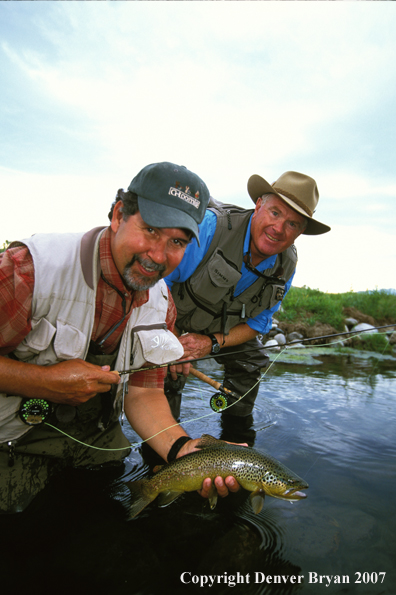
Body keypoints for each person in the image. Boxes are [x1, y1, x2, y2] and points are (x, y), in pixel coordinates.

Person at [0, 161, 239, 514]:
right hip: (11, 435)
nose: (158, 256)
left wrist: (181, 449)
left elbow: (144, 392)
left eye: (176, 241)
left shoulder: (162, 304)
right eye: (151, 230)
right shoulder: (29, 270)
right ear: (117, 215)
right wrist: (43, 382)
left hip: (94, 435)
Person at [165, 170, 331, 422]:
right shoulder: (210, 227)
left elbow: (257, 324)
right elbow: (157, 285)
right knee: (167, 371)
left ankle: (236, 434)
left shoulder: (286, 266)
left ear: (301, 231)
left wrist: (210, 343)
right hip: (170, 318)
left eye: (292, 223)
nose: (279, 229)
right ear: (258, 205)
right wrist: (170, 338)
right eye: (275, 213)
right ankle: (163, 439)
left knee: (252, 359)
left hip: (218, 330)